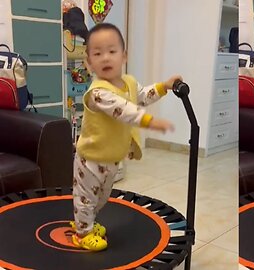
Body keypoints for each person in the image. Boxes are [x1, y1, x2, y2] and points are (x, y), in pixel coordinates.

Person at [71, 23, 182, 251]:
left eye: (112, 51)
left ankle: (88, 221)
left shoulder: (129, 83)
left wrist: (164, 87)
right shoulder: (97, 92)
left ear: (124, 56)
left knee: (102, 198)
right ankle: (82, 232)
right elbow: (122, 109)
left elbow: (141, 96)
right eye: (97, 53)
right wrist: (150, 121)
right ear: (89, 63)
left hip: (112, 158)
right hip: (90, 158)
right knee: (86, 197)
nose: (105, 58)